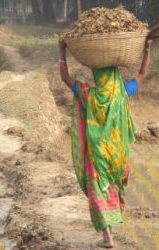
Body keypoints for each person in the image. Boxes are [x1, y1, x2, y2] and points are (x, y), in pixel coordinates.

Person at [59, 37, 151, 248]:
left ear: (97, 77)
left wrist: (61, 51)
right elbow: (142, 75)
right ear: (115, 77)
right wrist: (146, 50)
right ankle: (109, 234)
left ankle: (107, 237)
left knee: (98, 191)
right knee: (111, 189)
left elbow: (65, 78)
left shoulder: (88, 95)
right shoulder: (122, 93)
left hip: (97, 155)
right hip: (118, 158)